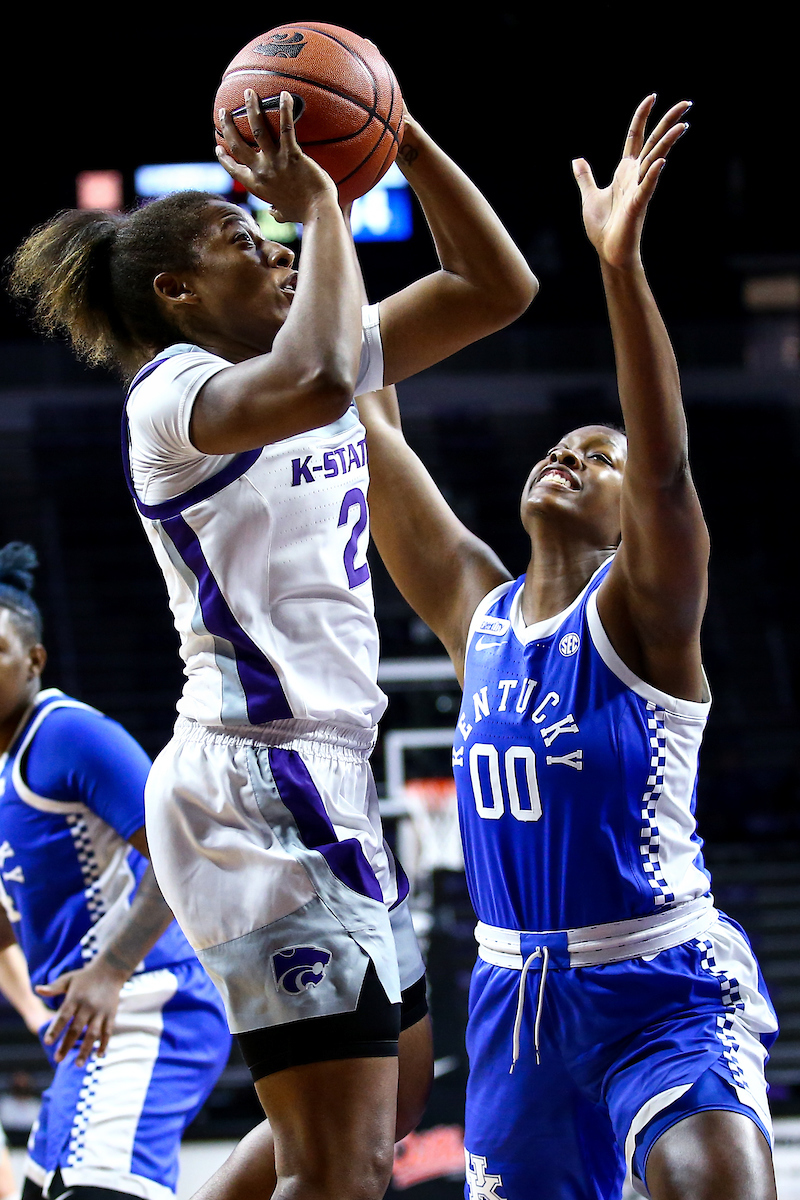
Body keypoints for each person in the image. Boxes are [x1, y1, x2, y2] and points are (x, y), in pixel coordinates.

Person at [9, 84, 537, 1200]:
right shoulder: (173, 394)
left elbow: (499, 287)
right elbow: (317, 377)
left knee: (385, 1110)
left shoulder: (318, 359)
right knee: (339, 1163)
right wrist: (323, 207)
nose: (279, 249)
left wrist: (396, 133)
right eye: (243, 243)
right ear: (177, 292)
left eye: (274, 235)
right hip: (255, 780)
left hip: (329, 773)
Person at [357, 98, 779, 1199]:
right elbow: (366, 411)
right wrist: (348, 182)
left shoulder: (642, 617)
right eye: (561, 445)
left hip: (658, 985)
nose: (565, 454)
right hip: (513, 1008)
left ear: (629, 523)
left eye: (595, 458)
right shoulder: (474, 611)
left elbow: (667, 475)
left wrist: (618, 267)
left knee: (714, 1186)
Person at [0, 543, 231, 1200]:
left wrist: (108, 971)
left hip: (152, 1000)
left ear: (34, 661)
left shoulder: (67, 735)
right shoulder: (4, 770)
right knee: (47, 1189)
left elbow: (182, 852)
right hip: (90, 1026)